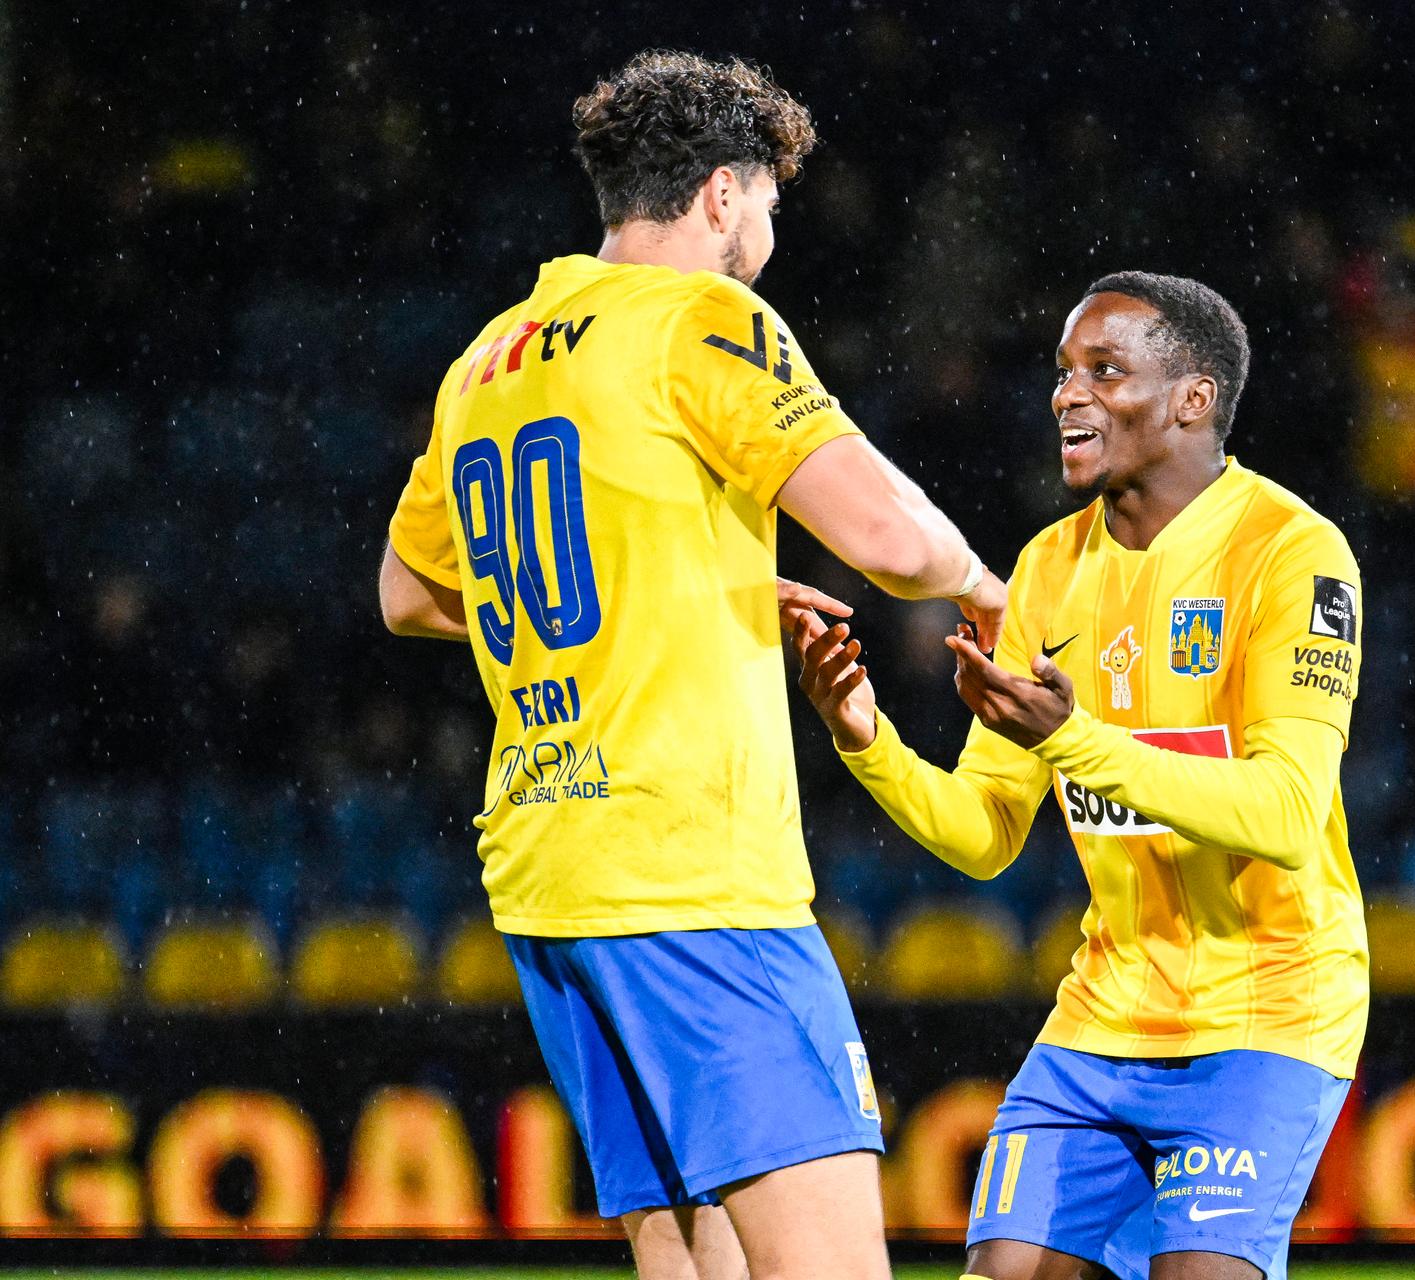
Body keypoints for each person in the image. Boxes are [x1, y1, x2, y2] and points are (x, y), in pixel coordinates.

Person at [378, 50, 1006, 1280]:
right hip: (693, 870)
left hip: (549, 871)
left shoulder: (488, 358)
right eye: (769, 199)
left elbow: (408, 593)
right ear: (722, 195)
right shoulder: (701, 319)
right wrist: (995, 586)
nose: (771, 227)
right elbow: (882, 536)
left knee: (692, 1261)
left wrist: (659, 580)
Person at [796, 272, 1368, 1280]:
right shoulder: (1048, 571)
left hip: (1271, 1008)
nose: (1068, 394)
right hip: (1104, 1013)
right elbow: (985, 834)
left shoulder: (1294, 553)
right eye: (1064, 371)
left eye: (1105, 370)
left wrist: (1076, 738)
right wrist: (865, 737)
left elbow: (1283, 810)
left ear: (1192, 398)